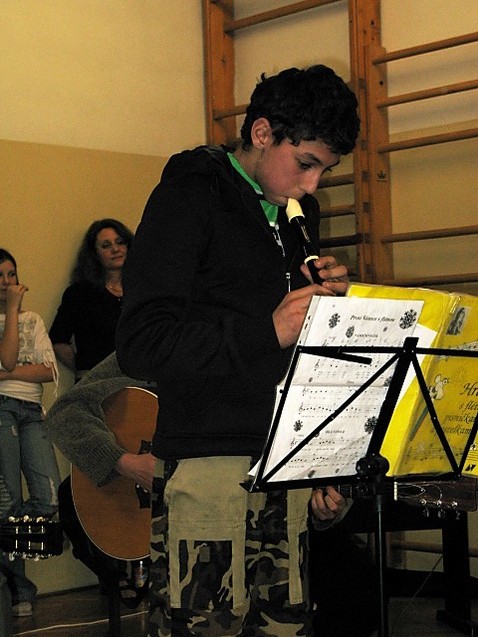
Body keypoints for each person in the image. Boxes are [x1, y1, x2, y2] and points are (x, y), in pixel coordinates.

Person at [115, 64, 360, 637]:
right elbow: (141, 342)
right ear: (262, 133)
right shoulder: (188, 196)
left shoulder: (298, 215)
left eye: (324, 170)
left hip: (283, 466)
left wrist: (321, 463)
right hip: (209, 471)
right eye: (306, 163)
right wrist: (266, 330)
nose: (312, 186)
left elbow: (293, 357)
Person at [44, 352, 156, 607]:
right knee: (69, 499)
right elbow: (64, 414)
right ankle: (117, 578)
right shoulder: (140, 353)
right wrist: (123, 462)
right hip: (145, 503)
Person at [0, 248, 61, 617]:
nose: (7, 282)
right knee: (8, 504)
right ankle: (18, 589)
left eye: (12, 274)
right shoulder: (13, 316)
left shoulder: (33, 319)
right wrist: (10, 310)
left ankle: (12, 567)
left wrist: (6, 374)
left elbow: (49, 371)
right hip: (1, 410)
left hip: (32, 411)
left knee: (47, 496)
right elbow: (10, 356)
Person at [49, 218, 133, 381]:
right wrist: (87, 371)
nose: (115, 249)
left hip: (137, 383)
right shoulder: (80, 293)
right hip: (95, 383)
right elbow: (58, 341)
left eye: (120, 242)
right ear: (94, 254)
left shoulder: (142, 291)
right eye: (106, 245)